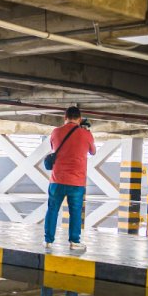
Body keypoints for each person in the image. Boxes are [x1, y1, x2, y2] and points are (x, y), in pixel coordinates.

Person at [45, 106, 95, 251]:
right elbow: (93, 151)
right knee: (75, 212)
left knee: (52, 209)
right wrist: (86, 133)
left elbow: (54, 147)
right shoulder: (86, 134)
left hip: (57, 180)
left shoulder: (55, 132)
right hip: (77, 182)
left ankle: (48, 240)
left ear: (64, 117)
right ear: (79, 119)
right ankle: (74, 241)